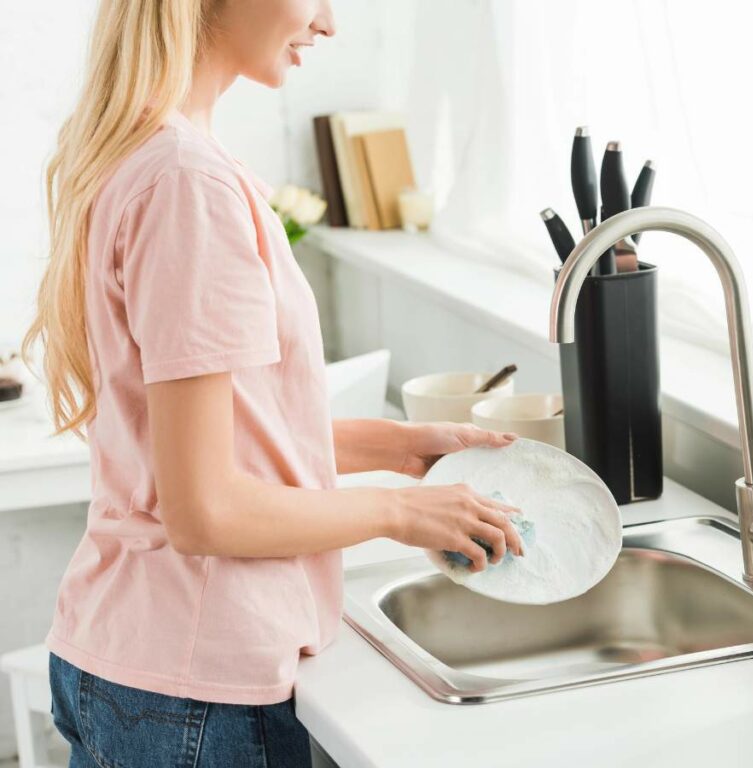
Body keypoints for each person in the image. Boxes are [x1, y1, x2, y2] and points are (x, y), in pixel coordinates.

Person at [24, 1, 524, 765]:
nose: (328, 23)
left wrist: (398, 447)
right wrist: (399, 511)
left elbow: (214, 449)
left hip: (127, 659)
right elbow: (206, 512)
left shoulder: (154, 157)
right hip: (193, 689)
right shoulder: (188, 184)